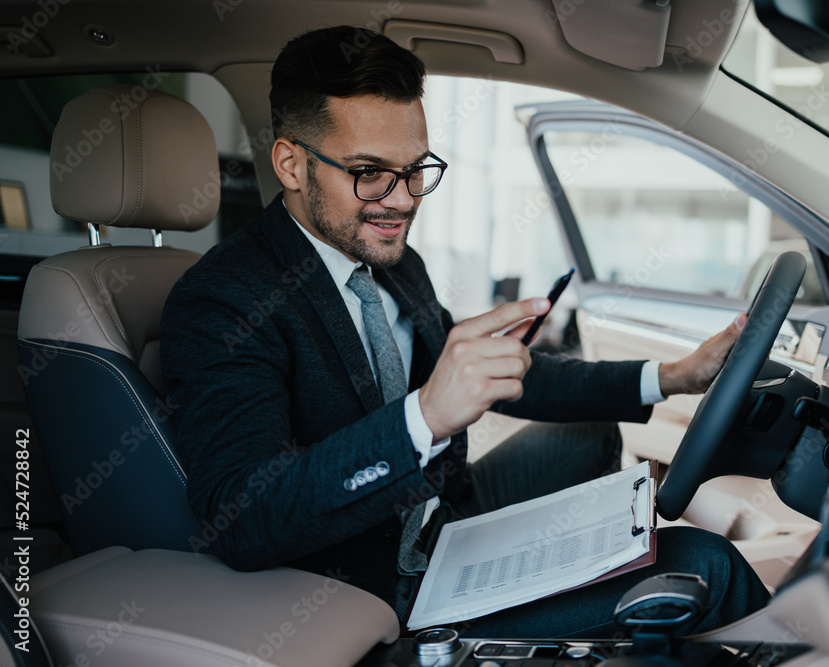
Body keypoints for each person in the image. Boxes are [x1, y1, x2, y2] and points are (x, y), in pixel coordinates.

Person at [160, 26, 770, 638]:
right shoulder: (224, 298)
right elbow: (240, 515)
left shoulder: (393, 263)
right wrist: (423, 416)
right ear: (292, 164)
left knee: (589, 433)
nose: (402, 201)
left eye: (416, 168)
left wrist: (671, 376)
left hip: (441, 513)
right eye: (370, 173)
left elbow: (496, 374)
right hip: (370, 574)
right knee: (702, 565)